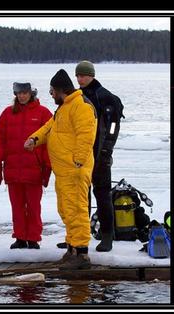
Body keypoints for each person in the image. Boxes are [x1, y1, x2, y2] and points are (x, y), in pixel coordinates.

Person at [24, 69, 97, 270]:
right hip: (63, 171)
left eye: (52, 91)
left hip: (74, 170)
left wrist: (78, 162)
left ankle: (82, 253)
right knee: (66, 210)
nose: (51, 95)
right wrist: (34, 139)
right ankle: (72, 249)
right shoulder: (65, 107)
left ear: (59, 90)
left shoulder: (81, 106)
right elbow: (49, 128)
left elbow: (86, 134)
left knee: (77, 209)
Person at [0, 82, 52, 249]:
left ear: (31, 94)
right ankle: (20, 237)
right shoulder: (7, 113)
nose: (22, 96)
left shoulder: (43, 113)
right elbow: (0, 139)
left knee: (33, 206)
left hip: (34, 169)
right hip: (13, 169)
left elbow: (49, 141)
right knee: (17, 207)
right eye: (19, 93)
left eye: (25, 93)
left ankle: (33, 238)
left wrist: (47, 167)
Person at [74, 60, 124, 252]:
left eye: (84, 75)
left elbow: (112, 126)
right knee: (81, 197)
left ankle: (107, 236)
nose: (80, 79)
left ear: (92, 75)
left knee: (102, 195)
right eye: (78, 75)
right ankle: (80, 236)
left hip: (100, 155)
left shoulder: (105, 97)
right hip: (82, 155)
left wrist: (107, 149)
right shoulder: (77, 96)